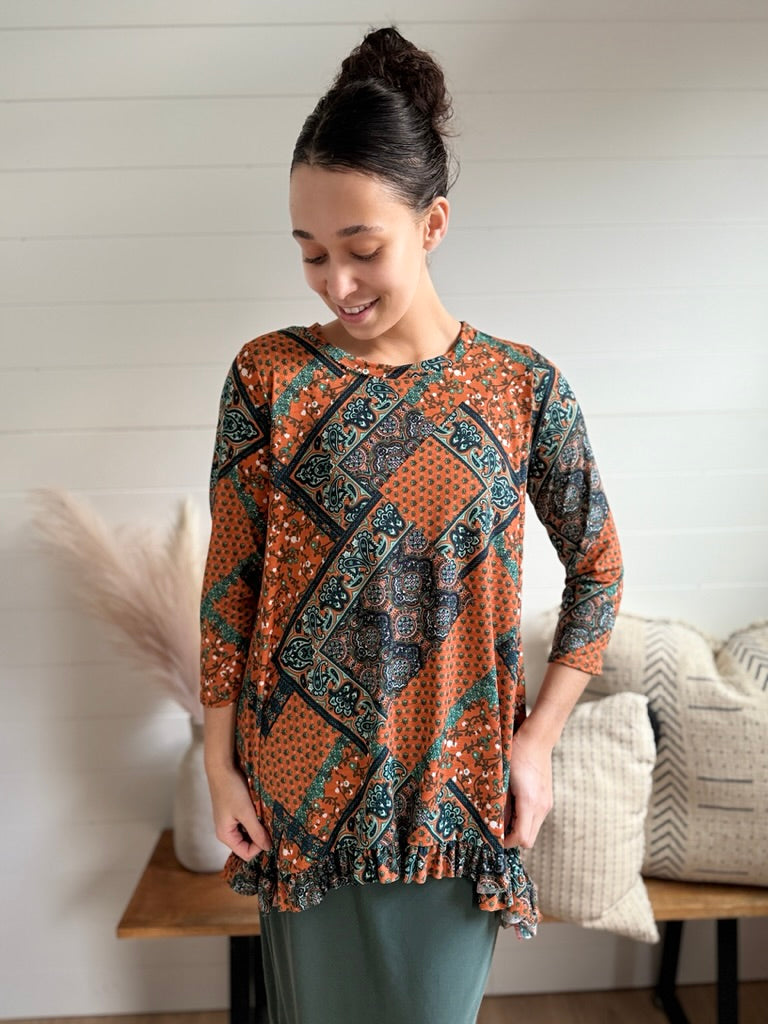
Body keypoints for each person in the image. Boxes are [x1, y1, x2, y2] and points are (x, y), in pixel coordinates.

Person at [200, 25, 624, 1024]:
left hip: (455, 796)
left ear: (432, 224)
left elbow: (599, 569)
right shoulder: (268, 377)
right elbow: (229, 589)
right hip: (298, 798)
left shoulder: (520, 386)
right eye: (312, 254)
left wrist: (537, 741)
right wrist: (219, 765)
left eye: (362, 250)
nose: (336, 284)